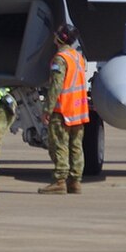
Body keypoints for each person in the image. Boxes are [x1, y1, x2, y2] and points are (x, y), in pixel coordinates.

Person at [38, 23, 90, 194]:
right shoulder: (77, 57)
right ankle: (75, 181)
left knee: (59, 145)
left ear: (61, 38)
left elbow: (56, 86)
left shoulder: (60, 59)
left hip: (63, 111)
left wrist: (47, 109)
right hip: (79, 110)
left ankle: (60, 180)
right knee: (76, 146)